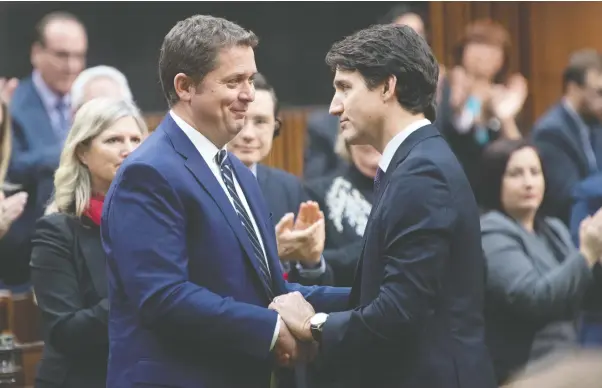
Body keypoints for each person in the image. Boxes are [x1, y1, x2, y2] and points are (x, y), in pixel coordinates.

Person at [100, 15, 350, 388]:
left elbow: (270, 292)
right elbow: (163, 298)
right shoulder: (149, 172)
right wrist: (271, 328)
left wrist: (368, 297)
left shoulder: (232, 167)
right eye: (234, 81)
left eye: (250, 79)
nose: (249, 93)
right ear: (185, 87)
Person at [269, 24, 496, 388]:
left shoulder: (423, 171)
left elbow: (399, 311)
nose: (333, 106)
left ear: (388, 87)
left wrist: (313, 325)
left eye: (345, 87)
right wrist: (298, 297)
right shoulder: (415, 161)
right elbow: (380, 291)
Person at [30, 98, 147, 388]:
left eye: (136, 139)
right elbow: (65, 331)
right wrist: (142, 291)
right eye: (113, 140)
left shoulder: (157, 223)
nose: (128, 150)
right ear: (82, 152)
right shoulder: (57, 230)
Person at [478, 139, 602, 384]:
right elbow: (535, 299)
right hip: (524, 371)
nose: (528, 182)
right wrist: (586, 253)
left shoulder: (552, 228)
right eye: (515, 174)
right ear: (495, 180)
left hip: (566, 359)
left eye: (535, 172)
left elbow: (584, 296)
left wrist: (596, 261)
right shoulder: (490, 232)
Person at [226, 72, 334, 287]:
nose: (248, 134)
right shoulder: (194, 184)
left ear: (275, 127)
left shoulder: (289, 187)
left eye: (260, 122)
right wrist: (270, 252)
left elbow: (320, 287)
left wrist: (311, 261)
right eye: (241, 119)